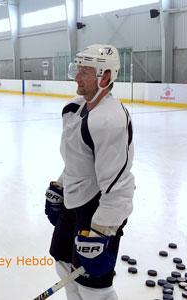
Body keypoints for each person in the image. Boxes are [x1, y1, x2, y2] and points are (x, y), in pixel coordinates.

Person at [45, 44, 134, 299]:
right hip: (73, 203)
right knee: (63, 264)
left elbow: (119, 184)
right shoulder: (75, 109)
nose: (76, 76)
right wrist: (60, 186)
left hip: (98, 209)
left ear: (104, 77)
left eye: (84, 71)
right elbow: (77, 160)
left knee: (94, 287)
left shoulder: (110, 120)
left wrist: (102, 230)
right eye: (77, 69)